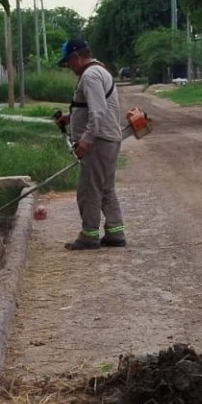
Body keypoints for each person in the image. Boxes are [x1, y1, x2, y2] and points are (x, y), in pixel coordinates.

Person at [53, 38, 126, 251]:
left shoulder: (90, 76)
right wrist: (69, 118)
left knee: (89, 191)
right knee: (105, 188)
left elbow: (98, 111)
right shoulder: (99, 71)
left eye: (68, 63)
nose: (69, 68)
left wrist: (85, 141)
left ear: (76, 57)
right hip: (108, 140)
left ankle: (89, 235)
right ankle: (115, 232)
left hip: (98, 142)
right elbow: (92, 107)